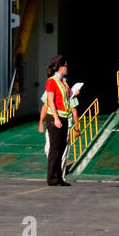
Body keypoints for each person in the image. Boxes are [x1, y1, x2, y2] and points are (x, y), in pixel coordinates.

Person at [38, 55, 76, 187]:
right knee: (54, 149)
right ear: (59, 67)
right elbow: (51, 101)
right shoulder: (52, 82)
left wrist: (73, 93)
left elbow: (65, 98)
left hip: (64, 117)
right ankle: (52, 178)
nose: (67, 68)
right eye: (65, 66)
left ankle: (59, 178)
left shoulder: (63, 82)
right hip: (55, 118)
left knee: (61, 148)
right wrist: (55, 118)